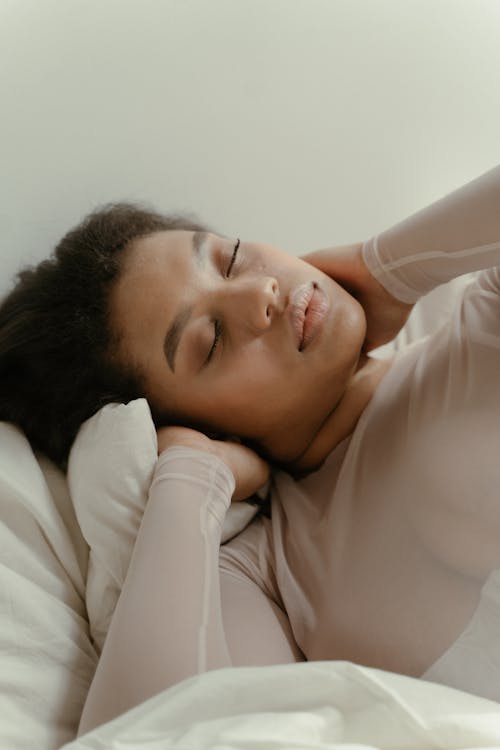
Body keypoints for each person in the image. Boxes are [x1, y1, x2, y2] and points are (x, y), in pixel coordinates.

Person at [1, 165, 499, 735]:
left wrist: (388, 268)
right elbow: (150, 735)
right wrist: (192, 475)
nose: (259, 292)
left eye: (230, 258)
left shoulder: (484, 319)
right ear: (205, 426)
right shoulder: (264, 571)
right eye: (210, 340)